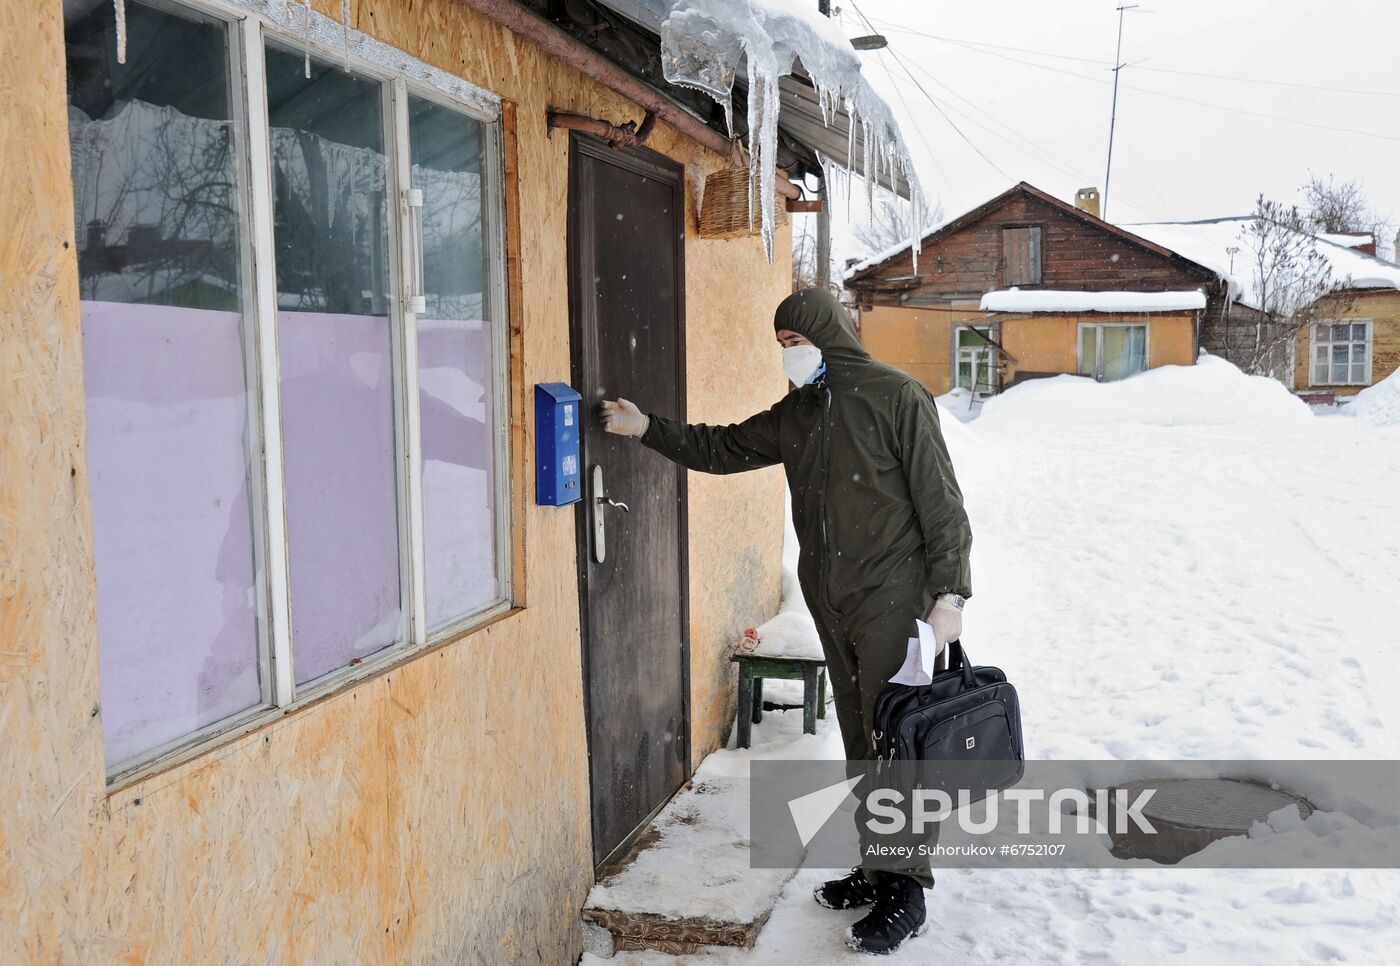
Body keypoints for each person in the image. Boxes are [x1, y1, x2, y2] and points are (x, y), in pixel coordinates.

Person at [599, 287, 972, 955]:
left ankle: (907, 892)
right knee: (861, 738)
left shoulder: (896, 397)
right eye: (781, 346)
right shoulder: (799, 413)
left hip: (893, 595)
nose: (789, 356)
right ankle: (880, 864)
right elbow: (723, 447)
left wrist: (950, 596)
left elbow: (941, 503)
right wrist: (648, 427)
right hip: (831, 598)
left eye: (795, 343)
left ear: (826, 336)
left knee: (897, 743)